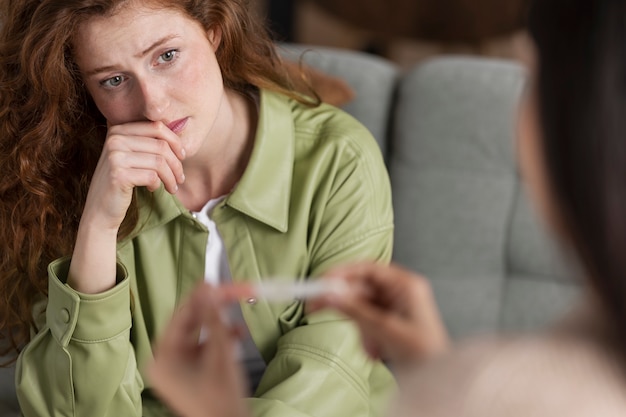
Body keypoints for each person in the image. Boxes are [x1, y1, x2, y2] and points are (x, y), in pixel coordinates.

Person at [148, 0, 626, 415]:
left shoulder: (510, 390)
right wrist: (435, 368)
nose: (151, 105)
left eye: (529, 78)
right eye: (109, 80)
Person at [0, 0, 396, 416]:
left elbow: (331, 372)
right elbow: (76, 408)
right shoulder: (62, 183)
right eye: (113, 80)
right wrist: (98, 227)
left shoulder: (338, 159)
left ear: (214, 30)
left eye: (166, 57)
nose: (153, 106)